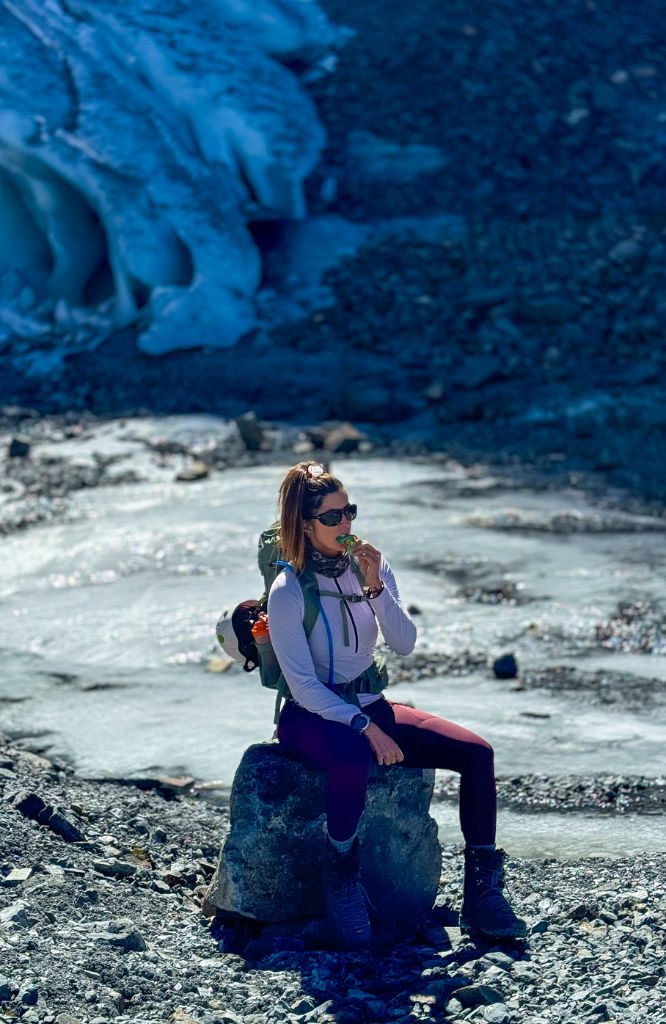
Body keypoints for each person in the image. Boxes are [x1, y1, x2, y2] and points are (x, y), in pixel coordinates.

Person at [266, 460, 526, 948]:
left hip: (369, 700)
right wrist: (364, 726)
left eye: (350, 512)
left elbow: (403, 643)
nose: (347, 525)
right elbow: (302, 685)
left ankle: (483, 894)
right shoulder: (287, 592)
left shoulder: (371, 566)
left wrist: (377, 588)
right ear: (305, 525)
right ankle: (341, 879)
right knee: (351, 758)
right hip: (310, 715)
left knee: (477, 753)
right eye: (333, 517)